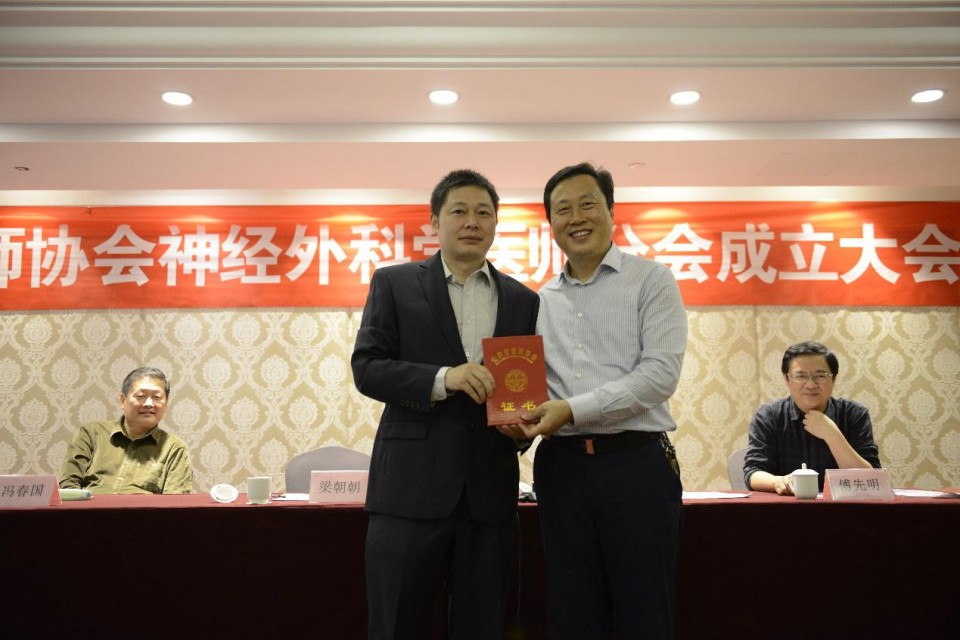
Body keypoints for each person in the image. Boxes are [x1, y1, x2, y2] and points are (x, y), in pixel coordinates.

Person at [351, 169, 539, 640]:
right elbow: (367, 368)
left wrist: (523, 430)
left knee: (482, 626)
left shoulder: (524, 300)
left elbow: (525, 387)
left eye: (483, 212)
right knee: (398, 623)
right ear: (435, 222)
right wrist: (443, 378)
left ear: (496, 223)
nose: (472, 221)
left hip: (488, 494)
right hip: (408, 490)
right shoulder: (394, 283)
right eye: (459, 211)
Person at [507, 162, 688, 639]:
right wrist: (515, 420)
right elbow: (532, 387)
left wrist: (572, 409)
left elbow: (659, 376)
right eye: (562, 209)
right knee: (572, 612)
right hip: (562, 469)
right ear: (550, 223)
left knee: (644, 611)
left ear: (611, 211)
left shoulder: (652, 280)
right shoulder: (538, 301)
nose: (576, 217)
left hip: (636, 466)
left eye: (587, 204)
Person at [743, 341, 881, 494]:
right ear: (786, 379)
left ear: (833, 378)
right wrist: (778, 482)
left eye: (820, 376)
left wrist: (832, 435)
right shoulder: (768, 416)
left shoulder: (854, 414)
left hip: (841, 507)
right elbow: (753, 472)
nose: (810, 384)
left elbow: (872, 480)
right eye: (800, 376)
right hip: (787, 505)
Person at [59, 366, 193, 494]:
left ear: (166, 404)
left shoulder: (174, 448)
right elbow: (69, 487)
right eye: (141, 396)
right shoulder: (91, 434)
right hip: (89, 509)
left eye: (156, 397)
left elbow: (174, 502)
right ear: (123, 400)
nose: (148, 404)